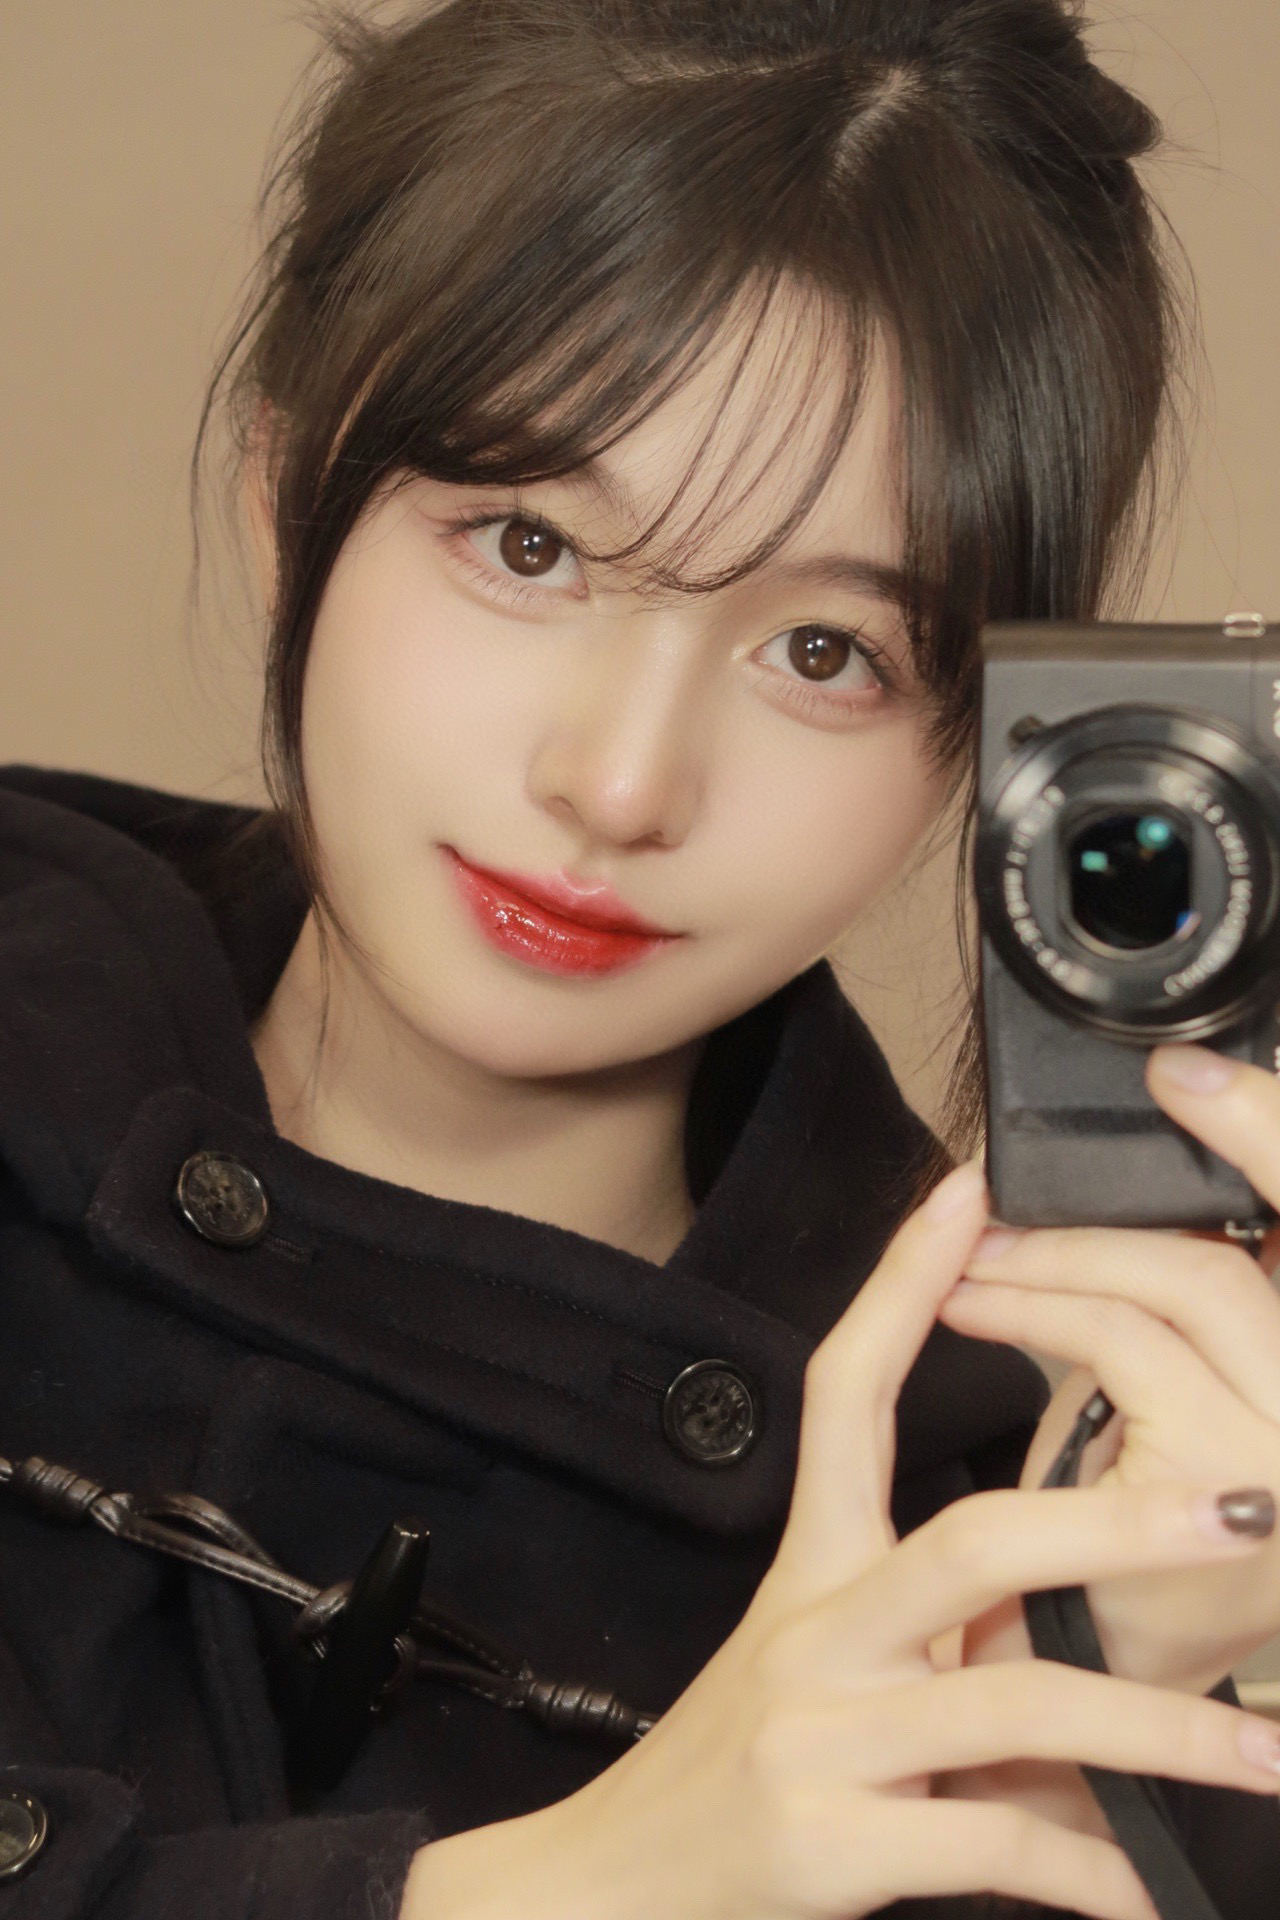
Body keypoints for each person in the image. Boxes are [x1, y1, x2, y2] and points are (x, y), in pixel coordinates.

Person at [3, 2, 1280, 1917]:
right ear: (286, 496)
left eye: (826, 653)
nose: (618, 784)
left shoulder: (978, 1514)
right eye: (529, 545)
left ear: (972, 742)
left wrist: (1059, 1744)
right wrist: (597, 1880)